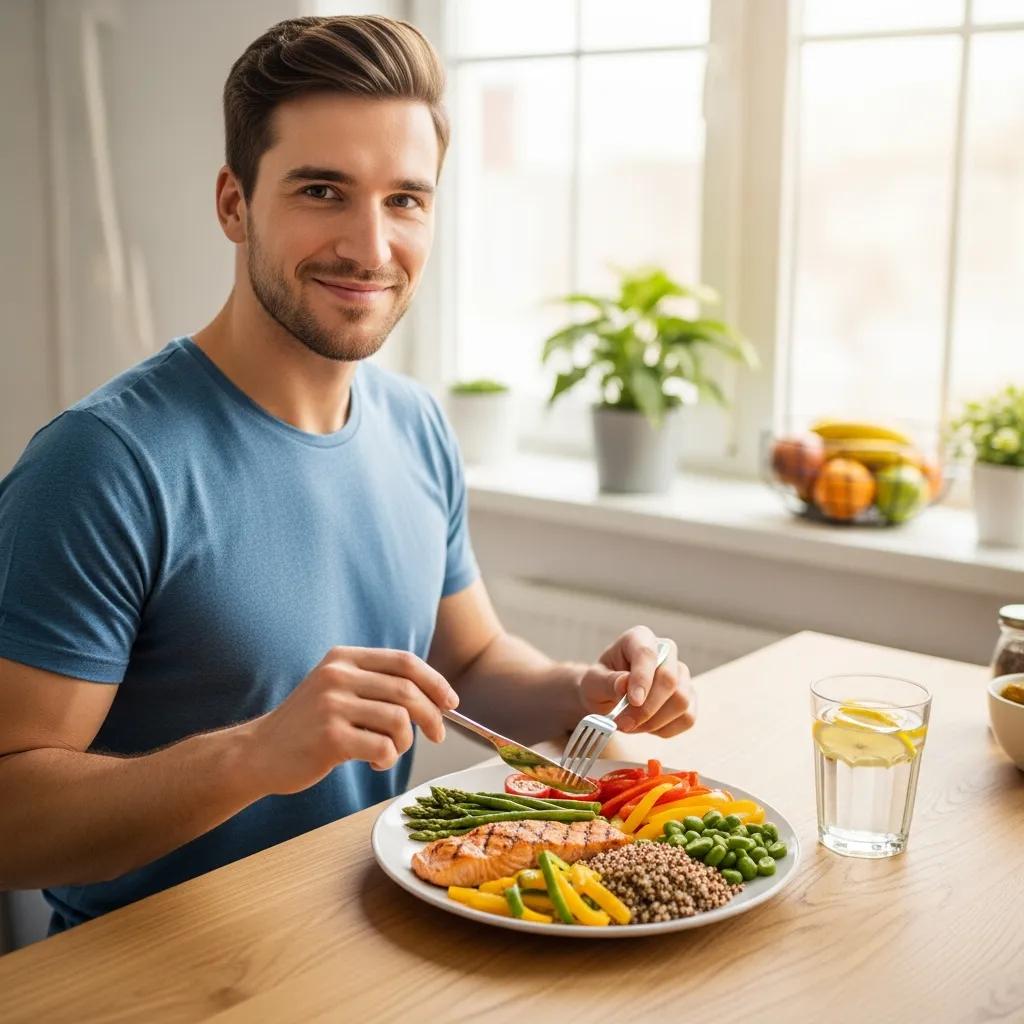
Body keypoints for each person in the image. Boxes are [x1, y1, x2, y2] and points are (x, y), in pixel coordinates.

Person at [0, 15, 696, 935]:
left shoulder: (414, 425)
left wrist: (584, 695)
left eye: (406, 199)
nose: (370, 248)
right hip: (145, 985)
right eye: (322, 190)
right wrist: (254, 754)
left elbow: (471, 659)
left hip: (367, 947)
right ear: (233, 204)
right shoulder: (104, 464)